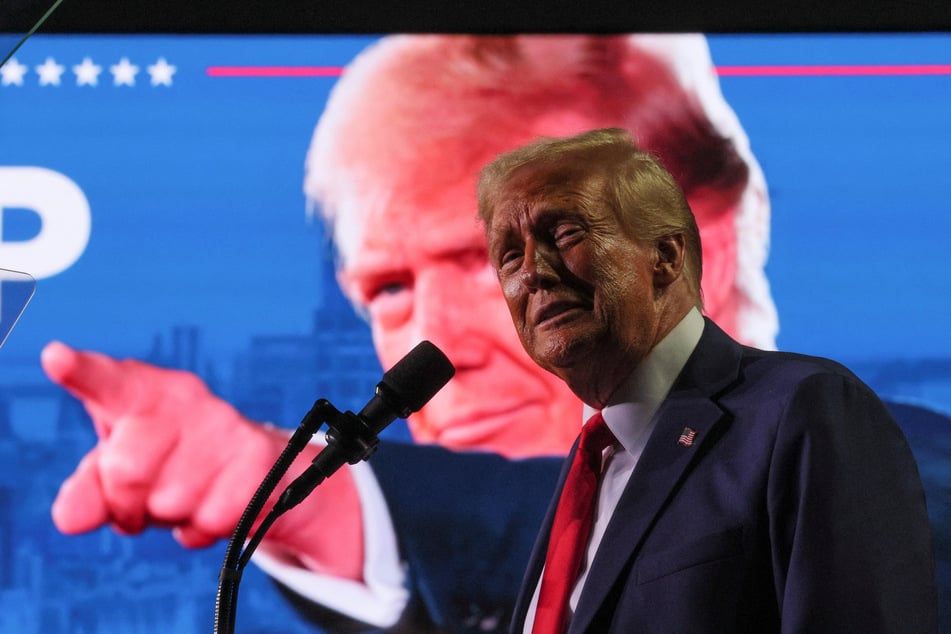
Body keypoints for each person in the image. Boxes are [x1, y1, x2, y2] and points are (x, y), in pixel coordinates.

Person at [40, 35, 946, 632]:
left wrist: (322, 502)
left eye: (558, 239)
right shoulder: (585, 478)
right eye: (390, 287)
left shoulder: (813, 411)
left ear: (683, 250)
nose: (441, 335)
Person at [476, 127, 937, 632]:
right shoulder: (590, 464)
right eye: (510, 256)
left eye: (564, 235)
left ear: (667, 256)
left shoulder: (803, 410)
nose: (533, 273)